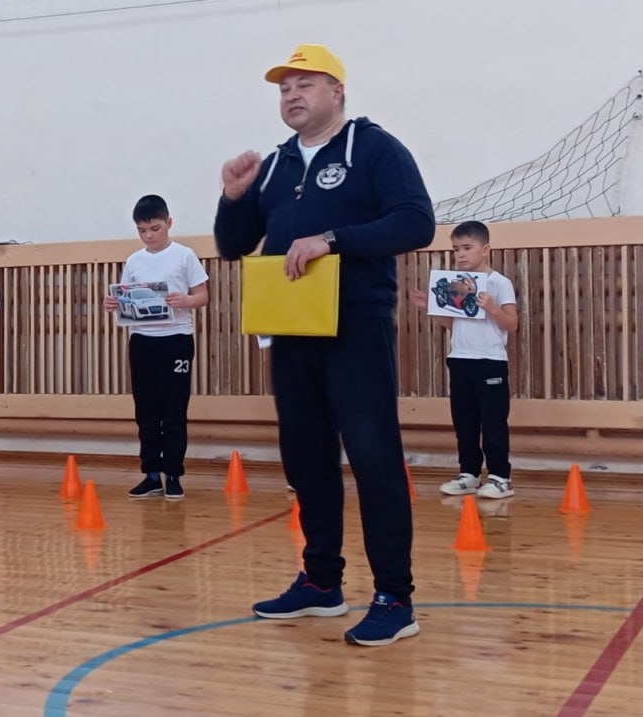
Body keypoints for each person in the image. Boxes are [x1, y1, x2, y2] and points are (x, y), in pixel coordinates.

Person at [214, 44, 435, 646]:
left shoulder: (374, 148)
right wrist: (232, 198)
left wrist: (332, 239)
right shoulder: (277, 164)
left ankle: (394, 598)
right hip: (291, 328)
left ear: (337, 91)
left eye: (304, 84)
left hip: (356, 327)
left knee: (373, 458)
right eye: (284, 87)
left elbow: (416, 221)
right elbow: (234, 245)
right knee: (306, 459)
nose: (291, 94)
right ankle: (321, 582)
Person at [103, 195, 209, 500]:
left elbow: (203, 295)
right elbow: (126, 295)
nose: (149, 235)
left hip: (176, 338)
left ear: (168, 223)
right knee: (146, 410)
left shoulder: (184, 255)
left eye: (155, 228)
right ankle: (151, 475)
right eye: (142, 230)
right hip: (142, 341)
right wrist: (113, 303)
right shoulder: (134, 261)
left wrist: (186, 300)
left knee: (173, 410)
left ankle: (173, 473)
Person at [409, 221, 518, 499]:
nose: (461, 254)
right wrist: (431, 308)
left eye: (467, 248)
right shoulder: (456, 284)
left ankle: (500, 478)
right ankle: (469, 474)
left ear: (485, 249)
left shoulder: (499, 282)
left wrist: (493, 308)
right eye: (456, 249)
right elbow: (454, 324)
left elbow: (512, 323)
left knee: (492, 422)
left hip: (490, 360)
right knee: (464, 422)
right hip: (459, 359)